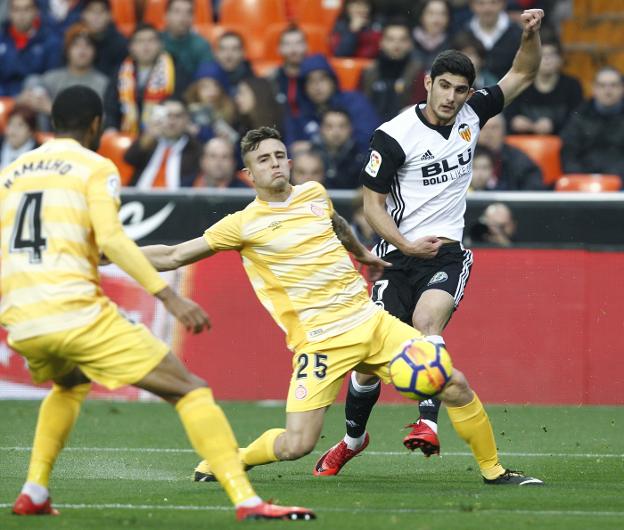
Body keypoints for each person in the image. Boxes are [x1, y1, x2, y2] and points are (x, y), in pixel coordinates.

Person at [141, 126, 542, 487]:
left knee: (454, 383)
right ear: (249, 174)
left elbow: (336, 224)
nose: (275, 163)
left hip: (371, 322)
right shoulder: (242, 224)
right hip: (320, 343)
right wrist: (112, 253)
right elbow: (175, 254)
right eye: (263, 159)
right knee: (296, 444)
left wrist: (362, 253)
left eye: (280, 155)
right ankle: (233, 458)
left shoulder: (313, 193)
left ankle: (494, 470)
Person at [2, 86, 314, 521]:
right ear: (96, 124)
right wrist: (167, 296)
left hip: (21, 321)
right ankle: (249, 501)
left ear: (51, 123)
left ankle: (34, 490)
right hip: (74, 312)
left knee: (69, 383)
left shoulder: (12, 171)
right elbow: (112, 238)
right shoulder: (95, 166)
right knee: (190, 390)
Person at [321, 9, 545, 467]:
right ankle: (353, 439)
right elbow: (371, 207)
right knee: (367, 365)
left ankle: (428, 422)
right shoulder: (394, 137)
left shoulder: (472, 114)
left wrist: (531, 34)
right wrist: (402, 245)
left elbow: (523, 71)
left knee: (428, 327)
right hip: (395, 256)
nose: (452, 97)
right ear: (428, 82)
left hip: (446, 254)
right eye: (444, 86)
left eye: (461, 90)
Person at [19, 23, 109, 131]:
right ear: (67, 50)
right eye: (76, 45)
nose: (82, 50)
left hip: (84, 137)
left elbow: (101, 121)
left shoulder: (103, 83)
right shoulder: (51, 78)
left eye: (88, 45)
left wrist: (52, 109)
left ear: (95, 51)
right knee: (32, 82)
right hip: (51, 134)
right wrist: (22, 100)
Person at [103, 24, 190, 134]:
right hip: (125, 133)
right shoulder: (121, 71)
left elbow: (180, 103)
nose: (146, 46)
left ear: (160, 45)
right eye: (140, 41)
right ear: (131, 47)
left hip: (165, 132)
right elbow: (111, 106)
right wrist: (111, 128)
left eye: (151, 40)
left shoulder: (174, 70)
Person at [505, 34, 583, 135]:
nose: (547, 59)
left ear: (560, 59)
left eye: (552, 54)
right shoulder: (521, 84)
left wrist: (554, 125)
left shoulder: (572, 86)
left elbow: (577, 120)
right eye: (542, 54)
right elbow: (508, 116)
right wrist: (514, 121)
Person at [560, 66, 624, 179]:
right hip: (585, 183)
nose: (608, 91)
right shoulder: (579, 116)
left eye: (613, 85)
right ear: (594, 89)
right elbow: (568, 155)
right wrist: (582, 180)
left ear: (622, 88)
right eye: (602, 85)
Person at [124, 98, 202, 188]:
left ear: (187, 119)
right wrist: (148, 137)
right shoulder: (149, 140)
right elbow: (129, 159)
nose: (172, 121)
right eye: (168, 115)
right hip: (139, 197)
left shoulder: (194, 148)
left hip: (177, 199)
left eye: (177, 116)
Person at [359, 18, 425, 121]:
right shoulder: (369, 72)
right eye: (391, 39)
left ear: (410, 44)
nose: (396, 45)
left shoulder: (418, 73)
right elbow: (361, 108)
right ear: (381, 42)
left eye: (402, 40)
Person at [0, 0, 63, 96]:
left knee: (33, 81)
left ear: (36, 12)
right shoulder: (2, 38)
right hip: (4, 100)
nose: (21, 14)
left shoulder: (50, 41)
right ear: (9, 12)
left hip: (37, 100)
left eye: (27, 9)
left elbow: (52, 79)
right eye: (16, 10)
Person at [478, 113, 544, 190]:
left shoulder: (520, 160)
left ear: (504, 132)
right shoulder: (464, 157)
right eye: (483, 128)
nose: (488, 133)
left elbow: (533, 191)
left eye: (494, 128)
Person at [464, 0, 523, 80]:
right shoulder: (461, 33)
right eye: (481, 3)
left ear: (503, 3)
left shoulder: (519, 35)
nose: (487, 8)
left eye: (493, 2)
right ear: (471, 5)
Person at [312, 108, 365, 189]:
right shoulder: (310, 155)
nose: (336, 132)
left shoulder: (362, 158)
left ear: (351, 129)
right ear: (321, 129)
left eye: (342, 126)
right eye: (329, 126)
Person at [161, 0, 213, 79]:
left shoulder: (201, 45)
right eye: (177, 12)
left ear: (194, 18)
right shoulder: (155, 41)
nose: (183, 18)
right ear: (166, 16)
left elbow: (206, 79)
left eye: (189, 12)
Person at [266, 25, 308, 118]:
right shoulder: (272, 78)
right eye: (287, 44)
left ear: (306, 46)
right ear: (279, 49)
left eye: (298, 43)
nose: (293, 49)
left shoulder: (314, 76)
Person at [81, 0, 128, 78]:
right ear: (83, 14)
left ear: (110, 15)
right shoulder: (75, 40)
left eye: (101, 11)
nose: (96, 16)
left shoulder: (121, 44)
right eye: (91, 11)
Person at [411, 0, 453, 71]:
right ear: (421, 16)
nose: (436, 19)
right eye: (431, 13)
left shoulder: (454, 43)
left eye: (442, 14)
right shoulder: (409, 40)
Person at [0, 103, 39, 169]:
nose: (13, 130)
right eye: (11, 124)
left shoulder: (38, 153)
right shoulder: (1, 143)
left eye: (20, 125)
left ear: (31, 131)